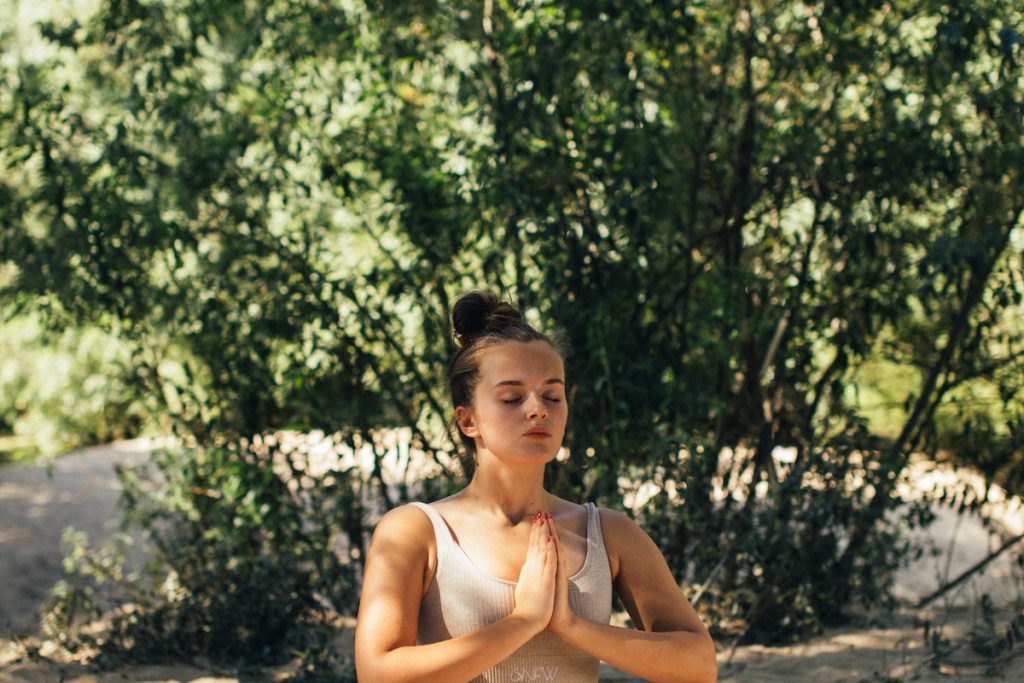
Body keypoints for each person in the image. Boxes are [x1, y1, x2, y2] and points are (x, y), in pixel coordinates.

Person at [354, 292, 717, 682]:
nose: (538, 409)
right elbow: (378, 674)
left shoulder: (609, 534)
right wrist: (523, 621)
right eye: (511, 398)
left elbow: (698, 665)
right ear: (468, 421)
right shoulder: (416, 532)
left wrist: (572, 625)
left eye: (552, 395)